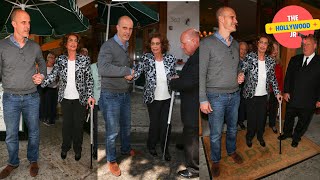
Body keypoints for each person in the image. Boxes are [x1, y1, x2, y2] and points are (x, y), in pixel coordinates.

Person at [0, 9, 46, 178]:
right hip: (10, 98)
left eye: (29, 22)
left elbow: (42, 63)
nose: (28, 26)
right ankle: (12, 162)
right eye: (23, 22)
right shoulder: (2, 46)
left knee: (34, 131)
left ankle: (33, 160)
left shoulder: (35, 46)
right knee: (11, 134)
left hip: (32, 97)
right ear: (14, 24)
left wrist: (41, 75)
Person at [199, 6, 244, 178]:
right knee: (216, 132)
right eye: (233, 17)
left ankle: (231, 151)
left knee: (232, 129)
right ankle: (216, 160)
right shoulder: (206, 43)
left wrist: (239, 74)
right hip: (215, 97)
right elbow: (201, 73)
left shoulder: (236, 44)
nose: (236, 21)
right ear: (221, 19)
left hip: (235, 95)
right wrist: (203, 99)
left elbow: (238, 66)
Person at [41, 33, 95, 161]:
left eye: (75, 40)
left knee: (78, 126)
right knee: (67, 125)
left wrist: (90, 96)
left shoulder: (84, 60)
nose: (73, 43)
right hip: (65, 98)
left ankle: (78, 149)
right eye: (70, 40)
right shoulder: (60, 60)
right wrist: (41, 82)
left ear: (78, 44)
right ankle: (65, 147)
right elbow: (53, 75)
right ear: (66, 43)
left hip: (80, 99)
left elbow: (89, 80)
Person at [97, 16, 136, 177]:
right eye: (125, 28)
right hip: (110, 95)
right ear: (117, 28)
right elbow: (103, 68)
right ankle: (111, 160)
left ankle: (125, 149)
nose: (128, 31)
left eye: (131, 29)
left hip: (124, 94)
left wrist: (130, 72)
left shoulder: (125, 45)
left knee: (126, 126)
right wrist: (126, 71)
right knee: (112, 131)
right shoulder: (108, 46)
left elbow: (119, 66)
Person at [132, 32, 177, 161]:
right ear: (149, 45)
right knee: (155, 124)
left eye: (157, 43)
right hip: (152, 98)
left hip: (168, 97)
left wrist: (175, 78)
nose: (155, 46)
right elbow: (137, 71)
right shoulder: (146, 58)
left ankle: (164, 148)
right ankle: (151, 145)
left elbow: (172, 74)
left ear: (162, 45)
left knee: (166, 124)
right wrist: (129, 76)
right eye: (153, 44)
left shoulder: (170, 58)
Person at [241, 34, 282, 148]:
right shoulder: (250, 57)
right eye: (261, 42)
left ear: (267, 46)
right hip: (251, 95)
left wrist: (277, 92)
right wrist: (240, 75)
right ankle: (249, 137)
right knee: (251, 119)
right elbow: (242, 69)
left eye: (266, 43)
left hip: (264, 95)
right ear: (257, 43)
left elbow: (272, 78)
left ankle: (260, 136)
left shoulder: (270, 61)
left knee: (262, 119)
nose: (263, 45)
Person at [278, 34, 320, 148]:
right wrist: (286, 91)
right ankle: (287, 133)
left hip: (309, 100)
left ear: (315, 45)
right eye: (303, 44)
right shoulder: (294, 59)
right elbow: (288, 77)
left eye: (308, 44)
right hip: (293, 97)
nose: (305, 47)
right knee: (288, 118)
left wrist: (319, 99)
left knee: (303, 121)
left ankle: (296, 137)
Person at [170, 28, 199, 178]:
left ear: (194, 41)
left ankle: (194, 169)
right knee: (190, 134)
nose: (182, 46)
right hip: (193, 104)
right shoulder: (196, 56)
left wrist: (174, 82)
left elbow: (190, 82)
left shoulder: (198, 58)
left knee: (192, 136)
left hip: (194, 106)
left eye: (183, 43)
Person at [268, 41, 283, 134]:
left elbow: (281, 78)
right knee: (263, 109)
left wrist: (280, 90)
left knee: (273, 108)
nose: (275, 51)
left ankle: (272, 124)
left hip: (275, 91)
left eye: (277, 49)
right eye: (273, 48)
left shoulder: (279, 63)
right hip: (265, 90)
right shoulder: (264, 60)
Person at [40, 52, 58, 126]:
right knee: (47, 104)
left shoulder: (55, 68)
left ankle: (52, 119)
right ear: (47, 58)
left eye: (54, 58)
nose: (52, 59)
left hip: (54, 88)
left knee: (53, 104)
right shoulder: (43, 67)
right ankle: (46, 119)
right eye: (51, 57)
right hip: (46, 88)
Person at [238, 41, 249, 130]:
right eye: (241, 49)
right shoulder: (234, 60)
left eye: (245, 50)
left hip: (245, 88)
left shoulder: (248, 61)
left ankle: (241, 121)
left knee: (242, 106)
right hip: (236, 88)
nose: (243, 51)